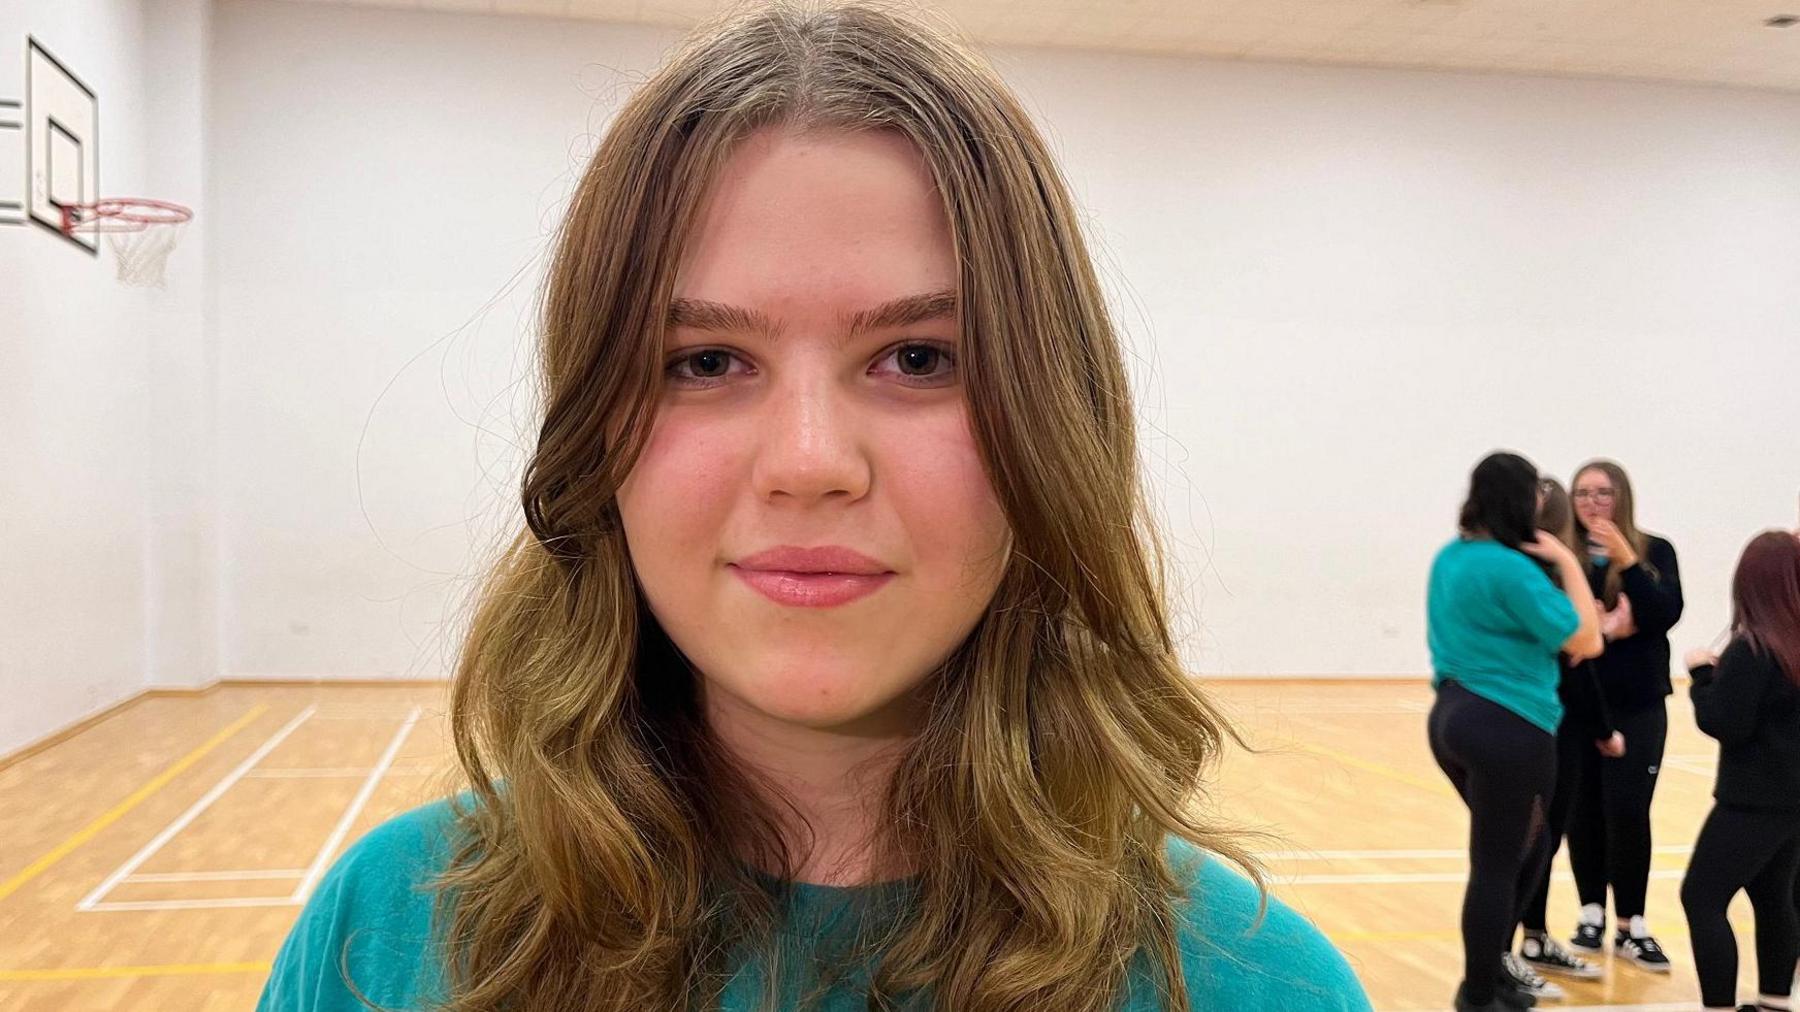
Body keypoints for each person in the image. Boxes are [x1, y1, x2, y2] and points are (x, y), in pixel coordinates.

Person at [254, 4, 1372, 1010]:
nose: (807, 461)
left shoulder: (1256, 984)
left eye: (919, 356)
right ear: (594, 432)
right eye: (703, 361)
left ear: (1052, 417)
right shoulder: (381, 937)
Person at [1428, 452, 1604, 1012]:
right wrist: (1568, 564)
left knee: (1530, 846)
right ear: (1518, 500)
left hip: (1453, 717)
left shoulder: (1451, 558)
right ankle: (1479, 993)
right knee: (1500, 862)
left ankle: (1492, 975)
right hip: (1509, 724)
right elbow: (1586, 640)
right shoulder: (1513, 568)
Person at [1564, 460, 1685, 970]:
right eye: (1583, 493)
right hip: (1578, 706)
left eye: (1603, 493)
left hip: (1639, 705)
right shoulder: (1563, 556)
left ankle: (1631, 925)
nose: (1592, 503)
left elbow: (1664, 614)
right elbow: (1567, 627)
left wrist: (1629, 564)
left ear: (1623, 497)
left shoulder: (1655, 551)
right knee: (1582, 811)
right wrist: (1606, 629)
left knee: (1628, 811)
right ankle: (1591, 913)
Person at [1678, 531, 1800, 1012]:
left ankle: (1719, 1006)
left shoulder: (1753, 650)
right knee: (1773, 896)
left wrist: (1701, 677)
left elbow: (1725, 723)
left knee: (1702, 898)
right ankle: (1773, 1000)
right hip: (1793, 803)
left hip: (1752, 801)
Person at [1507, 478, 1619, 998]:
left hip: (1554, 728)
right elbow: (1582, 657)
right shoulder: (1537, 580)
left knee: (1541, 841)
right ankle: (1504, 954)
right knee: (1527, 843)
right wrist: (1604, 729)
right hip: (1543, 727)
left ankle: (1531, 939)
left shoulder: (1537, 576)